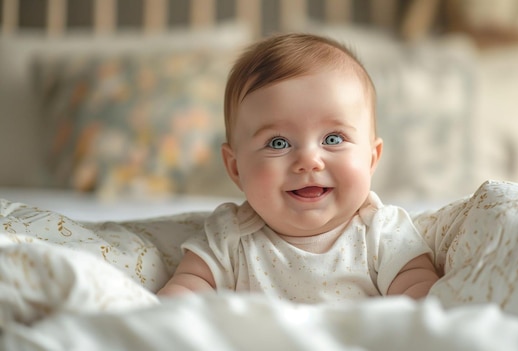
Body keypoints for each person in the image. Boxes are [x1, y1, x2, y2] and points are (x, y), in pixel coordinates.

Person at [157, 33, 439, 303]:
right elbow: (186, 292)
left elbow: (423, 298)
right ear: (235, 168)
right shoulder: (230, 236)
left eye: (333, 139)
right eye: (278, 143)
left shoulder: (381, 231)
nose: (308, 161)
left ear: (371, 158)